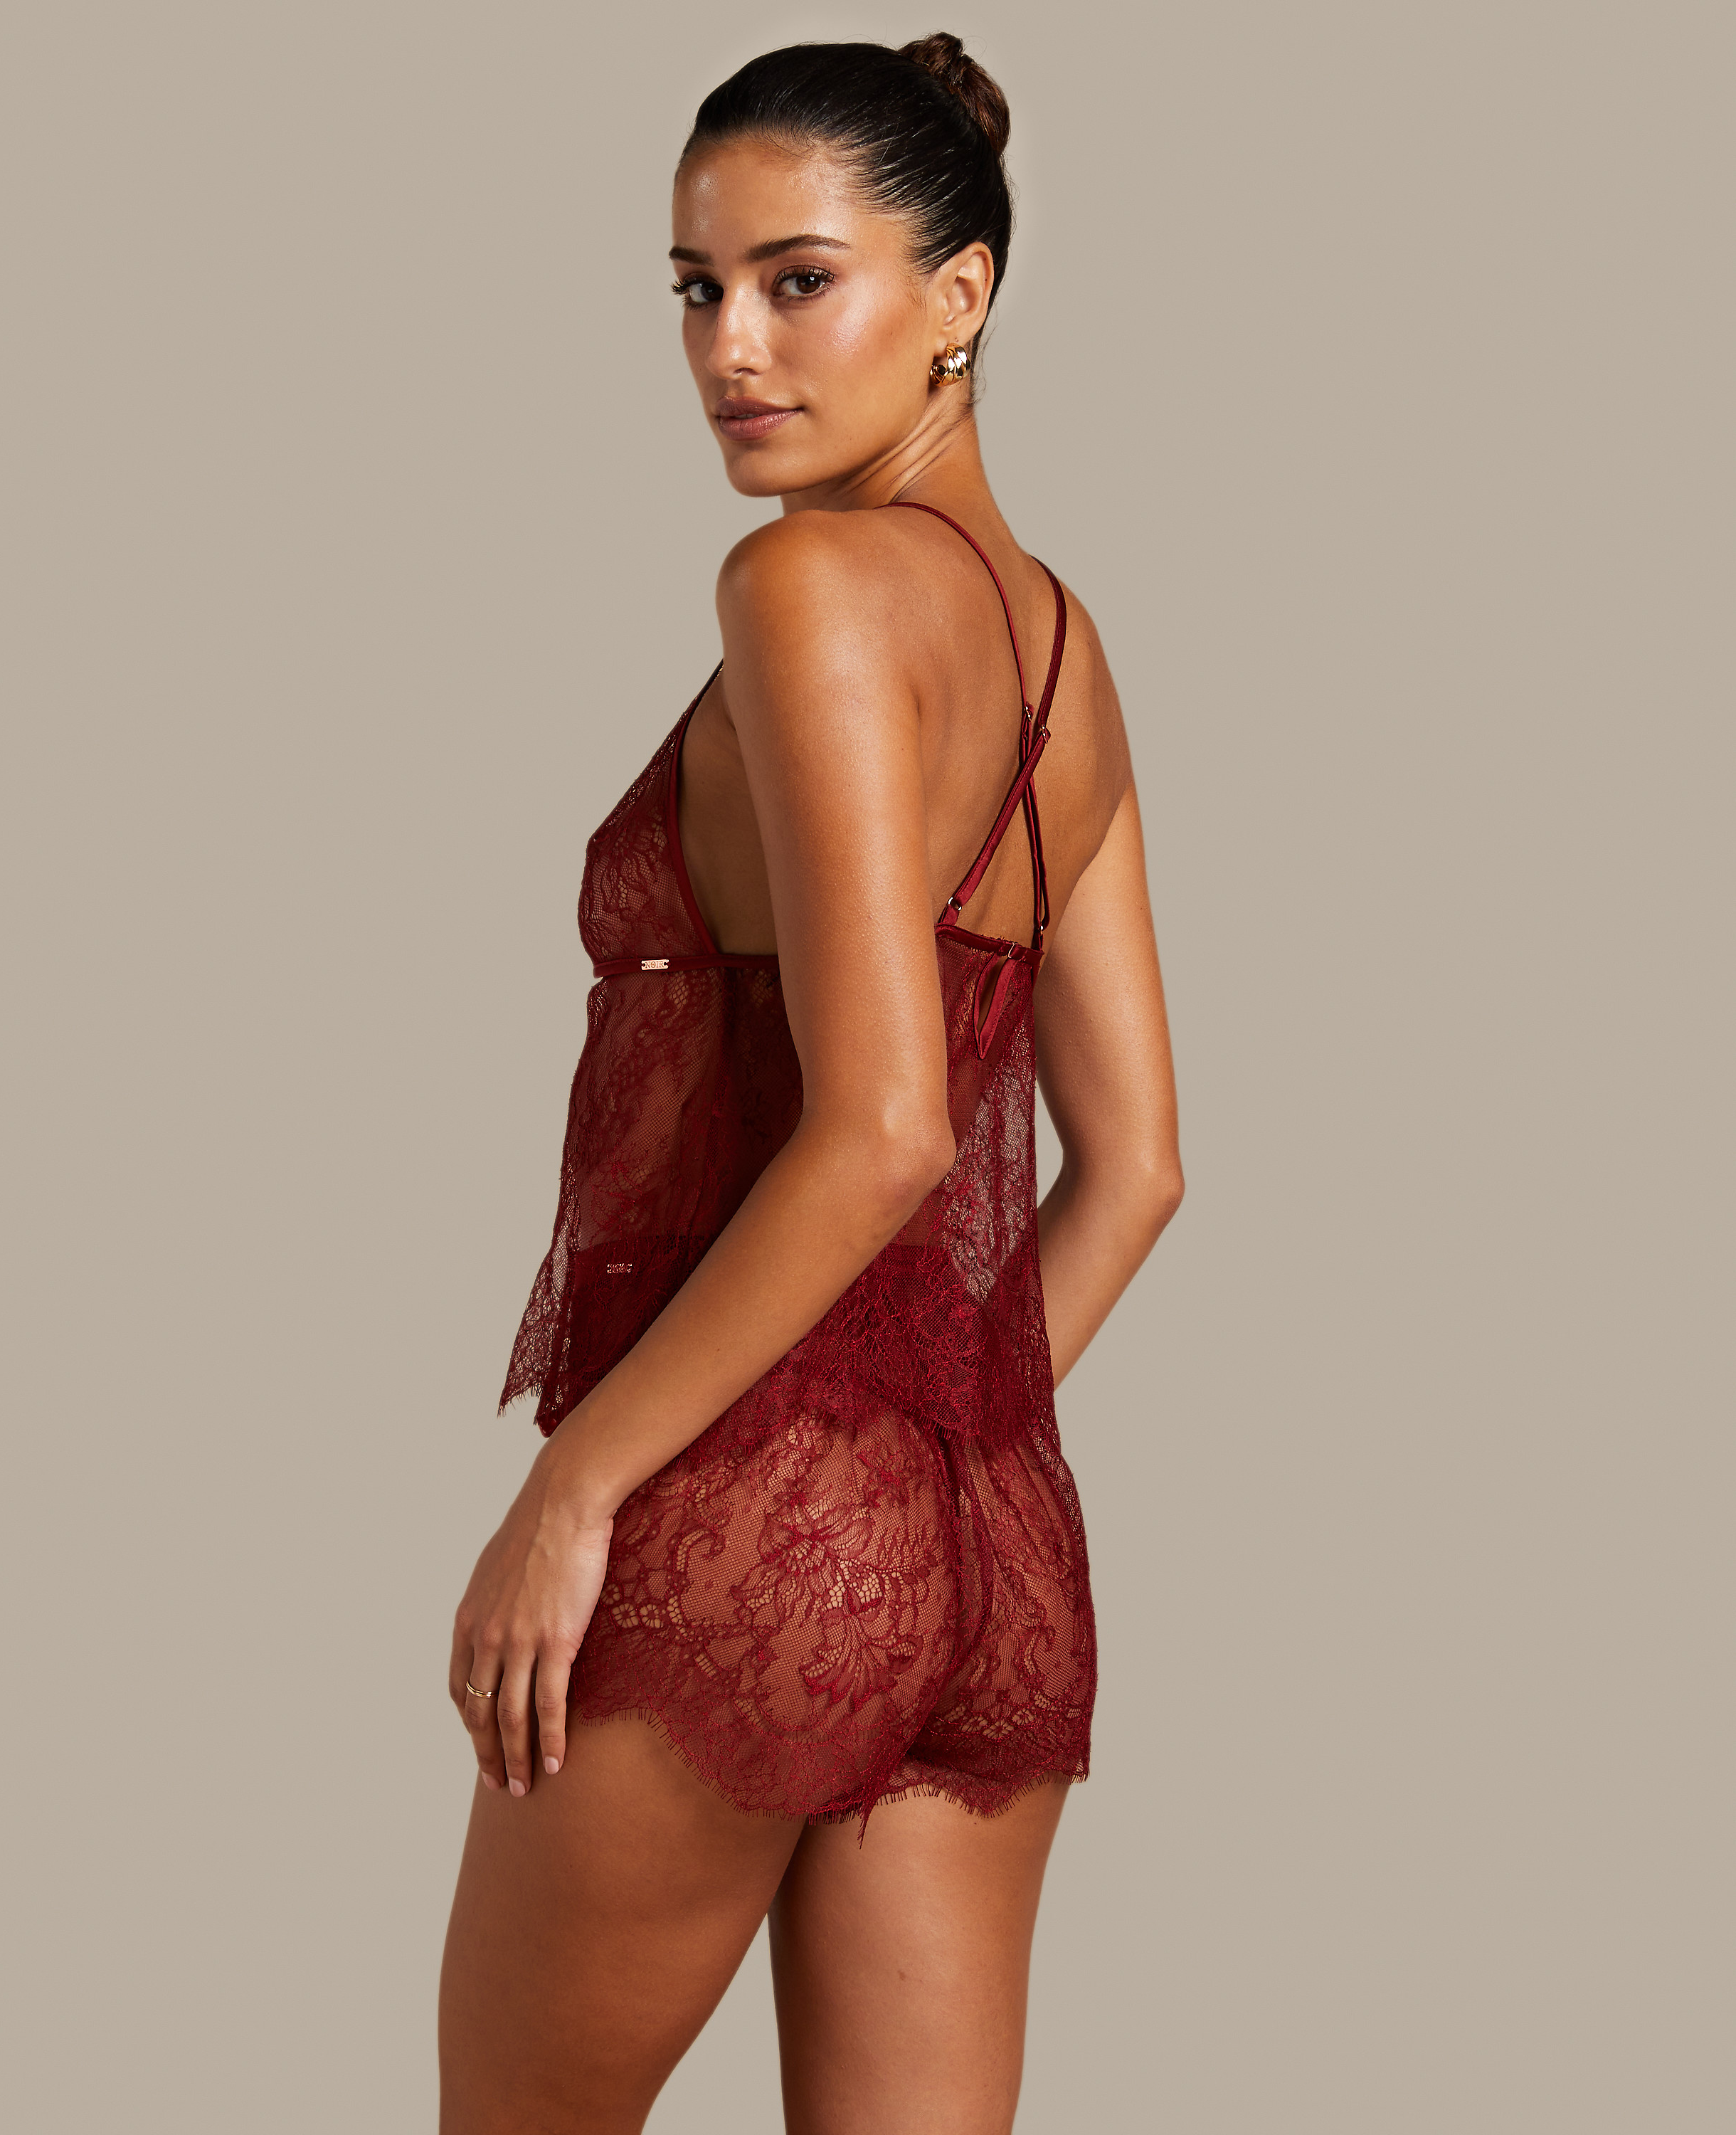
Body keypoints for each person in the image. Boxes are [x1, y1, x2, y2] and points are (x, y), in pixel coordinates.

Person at [438, 34, 1182, 2135]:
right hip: (990, 1548)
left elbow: (883, 1128)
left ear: (961, 293)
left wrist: (581, 1489)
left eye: (797, 282)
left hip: (736, 1521)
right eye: (696, 290)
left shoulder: (805, 586)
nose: (730, 350)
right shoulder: (1066, 655)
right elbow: (1139, 1167)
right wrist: (917, 1449)